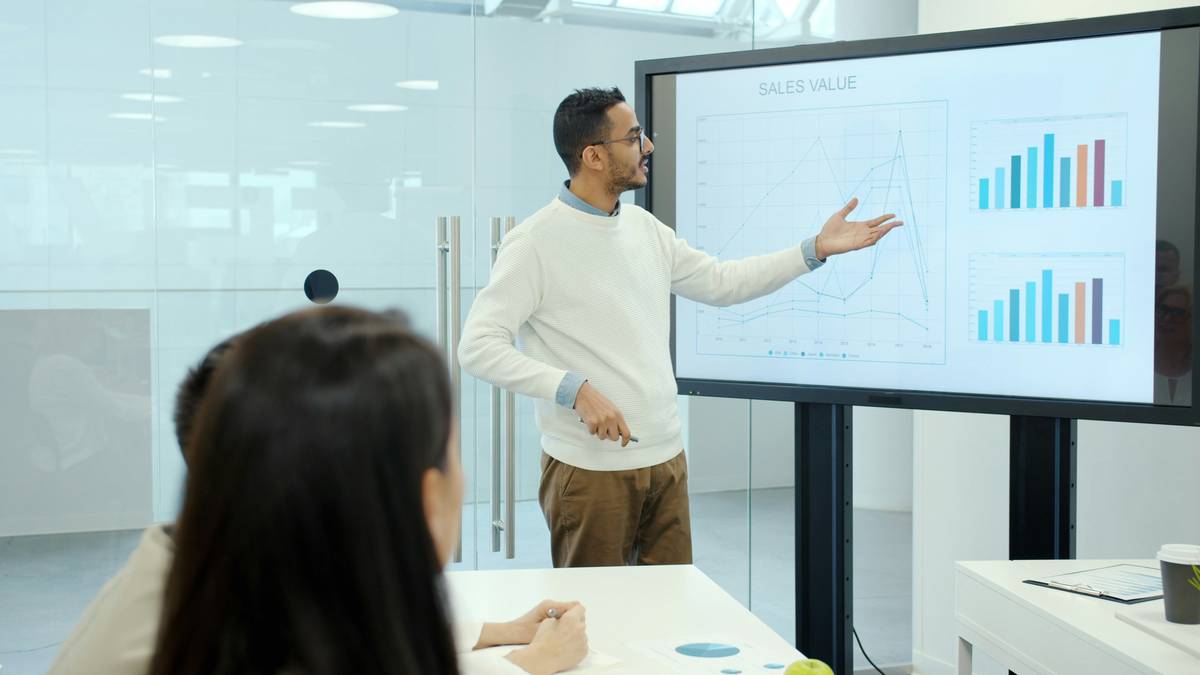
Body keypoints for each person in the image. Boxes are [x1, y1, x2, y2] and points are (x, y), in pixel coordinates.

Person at [459, 86, 901, 568]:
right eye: (633, 137)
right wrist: (573, 389)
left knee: (670, 622)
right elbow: (478, 347)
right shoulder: (533, 243)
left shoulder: (646, 230)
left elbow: (722, 281)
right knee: (598, 623)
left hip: (667, 462)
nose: (647, 146)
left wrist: (812, 249)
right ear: (593, 156)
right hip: (589, 473)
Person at [51, 313, 586, 675]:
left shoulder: (213, 565)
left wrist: (499, 631)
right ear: (421, 500)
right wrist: (533, 664)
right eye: (451, 454)